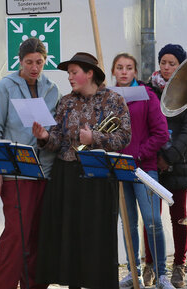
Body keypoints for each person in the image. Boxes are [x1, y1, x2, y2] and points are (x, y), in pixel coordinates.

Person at [33, 52, 131, 289]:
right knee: (69, 233)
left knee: (96, 235)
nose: (69, 77)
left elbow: (124, 137)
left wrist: (94, 137)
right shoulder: (66, 101)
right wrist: (46, 137)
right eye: (69, 73)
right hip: (67, 174)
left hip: (97, 176)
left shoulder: (114, 100)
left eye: (74, 72)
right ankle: (72, 283)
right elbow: (58, 138)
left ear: (89, 74)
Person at [0, 37, 59, 289]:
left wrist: (44, 138)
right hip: (16, 174)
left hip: (45, 172)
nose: (34, 67)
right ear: (20, 61)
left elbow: (55, 134)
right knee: (17, 236)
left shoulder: (52, 89)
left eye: (39, 62)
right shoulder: (4, 87)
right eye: (29, 62)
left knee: (38, 237)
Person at [111, 53, 172, 289]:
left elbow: (161, 133)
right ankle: (133, 271)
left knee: (153, 221)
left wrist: (138, 154)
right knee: (128, 224)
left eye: (129, 68)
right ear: (114, 72)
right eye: (119, 68)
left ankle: (162, 273)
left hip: (143, 169)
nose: (124, 72)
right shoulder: (108, 97)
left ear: (135, 72)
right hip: (118, 170)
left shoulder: (147, 96)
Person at [144, 44, 187, 288]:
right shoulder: (148, 89)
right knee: (151, 217)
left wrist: (169, 157)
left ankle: (179, 266)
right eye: (163, 62)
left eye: (172, 63)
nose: (166, 67)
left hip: (178, 164)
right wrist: (156, 156)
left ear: (180, 66)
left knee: (179, 219)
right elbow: (145, 122)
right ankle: (150, 263)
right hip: (153, 161)